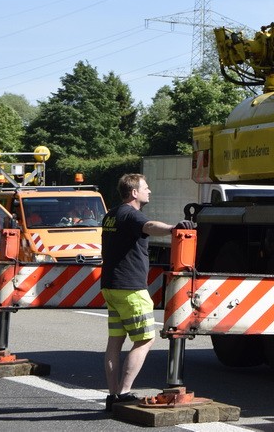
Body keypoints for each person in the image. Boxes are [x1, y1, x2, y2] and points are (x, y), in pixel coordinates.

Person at [101, 173, 195, 411]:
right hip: (130, 289)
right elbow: (150, 226)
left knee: (115, 341)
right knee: (145, 339)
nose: (149, 191)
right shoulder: (132, 215)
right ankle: (123, 393)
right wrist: (174, 228)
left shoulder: (111, 215)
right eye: (146, 187)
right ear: (134, 192)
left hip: (111, 286)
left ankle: (112, 396)